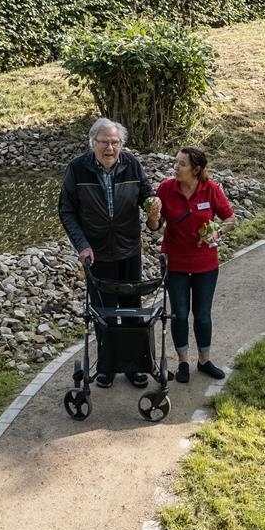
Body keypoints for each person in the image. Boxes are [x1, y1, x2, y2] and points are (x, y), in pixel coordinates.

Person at [59, 117, 162, 388]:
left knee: (131, 309)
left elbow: (147, 197)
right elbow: (67, 211)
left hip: (129, 250)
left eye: (115, 142)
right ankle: (105, 366)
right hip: (97, 254)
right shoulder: (78, 169)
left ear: (121, 144)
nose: (110, 148)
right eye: (104, 142)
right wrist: (82, 245)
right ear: (93, 143)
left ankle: (133, 366)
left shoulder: (132, 164)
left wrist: (154, 212)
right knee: (103, 313)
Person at [156, 146, 235, 383]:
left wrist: (218, 232)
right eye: (175, 162)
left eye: (182, 164)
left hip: (205, 264)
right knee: (180, 314)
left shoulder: (211, 189)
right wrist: (152, 217)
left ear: (196, 169)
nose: (175, 167)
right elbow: (156, 224)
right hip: (175, 262)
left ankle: (204, 360)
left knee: (202, 314)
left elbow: (230, 219)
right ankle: (182, 362)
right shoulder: (166, 188)